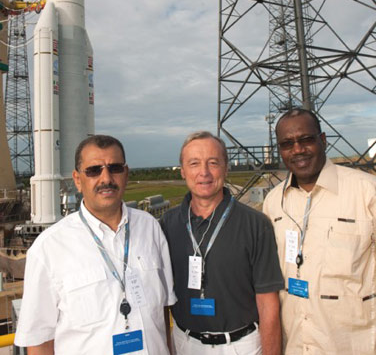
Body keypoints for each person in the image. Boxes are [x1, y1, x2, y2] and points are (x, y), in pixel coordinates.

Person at [15, 134, 176, 355]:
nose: (106, 178)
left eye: (115, 168)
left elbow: (163, 310)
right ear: (78, 179)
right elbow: (39, 341)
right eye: (93, 170)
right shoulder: (48, 249)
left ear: (126, 174)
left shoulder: (150, 228)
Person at [263, 108, 376, 354]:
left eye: (306, 140)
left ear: (322, 140)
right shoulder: (273, 203)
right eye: (287, 143)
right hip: (296, 345)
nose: (297, 150)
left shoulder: (367, 192)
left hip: (352, 346)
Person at [160, 131, 284, 355]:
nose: (204, 173)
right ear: (183, 171)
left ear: (226, 168)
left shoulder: (255, 224)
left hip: (241, 345)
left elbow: (268, 304)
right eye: (194, 163)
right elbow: (162, 297)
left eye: (213, 162)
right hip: (185, 343)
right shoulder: (167, 224)